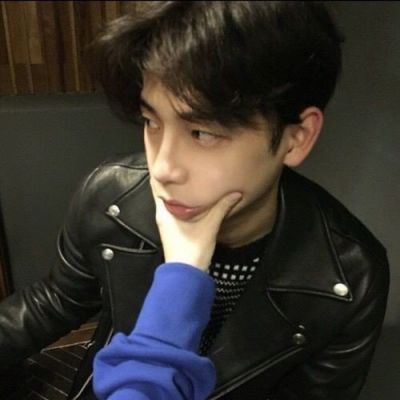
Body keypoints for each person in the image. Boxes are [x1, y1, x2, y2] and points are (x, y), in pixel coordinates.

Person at [0, 2, 390, 400]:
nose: (163, 168)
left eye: (203, 133)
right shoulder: (111, 196)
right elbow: (54, 302)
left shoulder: (348, 277)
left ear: (297, 137)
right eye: (151, 122)